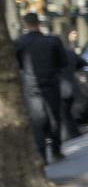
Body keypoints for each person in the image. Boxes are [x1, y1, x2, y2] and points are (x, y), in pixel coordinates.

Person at [15, 13, 67, 162]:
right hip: (51, 84)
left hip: (32, 86)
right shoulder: (52, 41)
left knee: (37, 121)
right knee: (54, 118)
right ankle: (56, 150)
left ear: (25, 24)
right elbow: (62, 63)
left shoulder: (19, 42)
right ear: (39, 23)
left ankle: (42, 154)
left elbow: (17, 65)